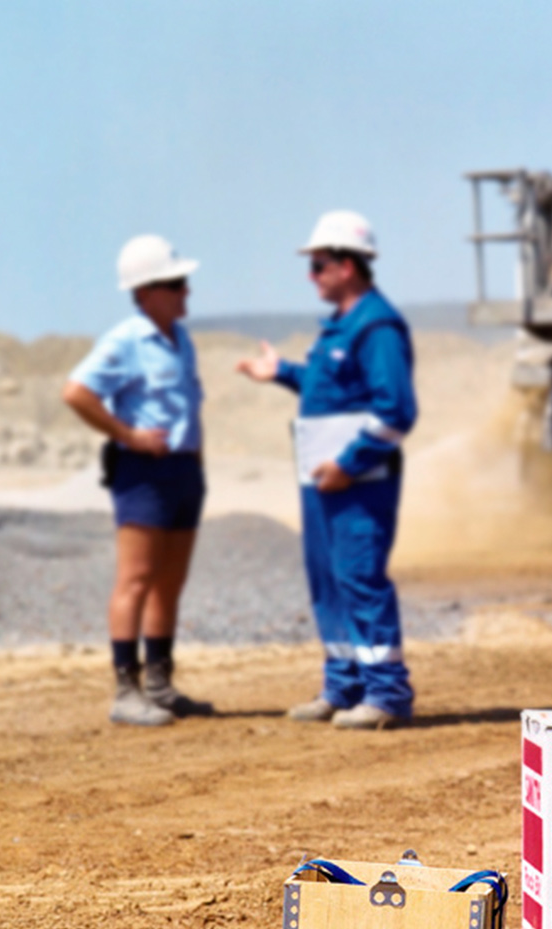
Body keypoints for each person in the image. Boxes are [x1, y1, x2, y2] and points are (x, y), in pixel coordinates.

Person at [236, 210, 416, 730]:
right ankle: (345, 685)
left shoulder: (376, 326)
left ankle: (387, 693)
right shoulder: (338, 326)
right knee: (329, 582)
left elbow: (395, 410)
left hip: (357, 483)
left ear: (348, 265)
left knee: (359, 578)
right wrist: (282, 373)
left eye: (318, 265)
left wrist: (349, 464)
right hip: (322, 482)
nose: (311, 274)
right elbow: (330, 388)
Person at [62, 234, 209, 726]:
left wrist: (196, 464)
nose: (186, 291)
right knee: (136, 579)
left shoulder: (180, 339)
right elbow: (77, 392)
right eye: (175, 283)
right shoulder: (126, 339)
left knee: (170, 582)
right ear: (145, 291)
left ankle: (160, 686)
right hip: (143, 473)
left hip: (184, 471)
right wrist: (128, 435)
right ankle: (126, 691)